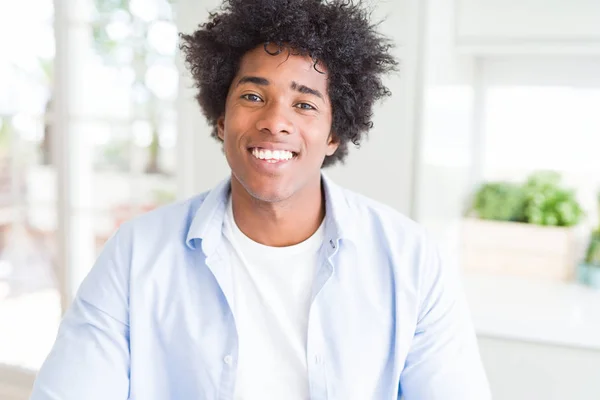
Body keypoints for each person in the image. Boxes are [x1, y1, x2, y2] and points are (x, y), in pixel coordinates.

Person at [31, 0, 491, 399]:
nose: (275, 121)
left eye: (305, 104)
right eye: (253, 95)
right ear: (220, 118)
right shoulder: (136, 255)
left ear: (334, 133)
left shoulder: (410, 260)